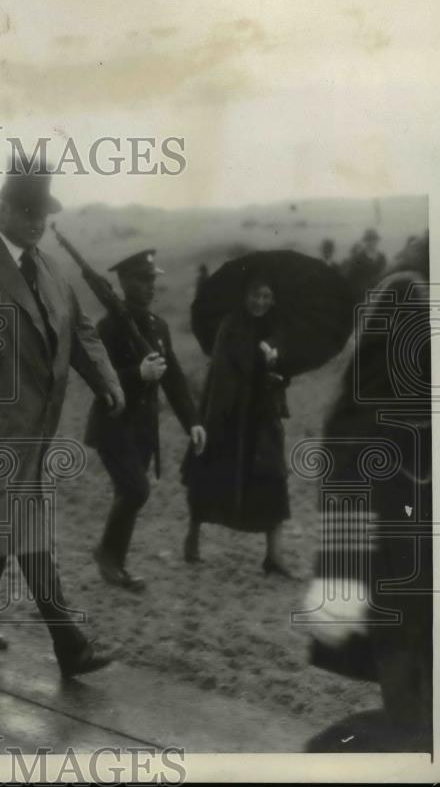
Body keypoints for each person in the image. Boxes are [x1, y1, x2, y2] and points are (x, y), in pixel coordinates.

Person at [0, 164, 125, 678]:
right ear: (0, 209)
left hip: (37, 428)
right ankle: (69, 644)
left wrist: (108, 380)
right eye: (26, 211)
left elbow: (81, 332)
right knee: (27, 531)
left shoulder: (50, 270)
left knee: (0, 529)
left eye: (42, 212)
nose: (37, 221)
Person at [302, 236, 430, 752]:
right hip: (398, 567)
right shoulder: (412, 300)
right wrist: (341, 575)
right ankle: (325, 755)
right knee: (412, 716)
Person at [85, 251, 205, 592]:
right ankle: (109, 557)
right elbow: (98, 378)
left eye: (153, 279)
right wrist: (138, 374)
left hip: (142, 429)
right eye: (142, 280)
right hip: (112, 425)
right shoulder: (108, 327)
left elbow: (174, 377)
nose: (150, 286)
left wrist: (192, 421)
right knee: (136, 490)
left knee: (131, 492)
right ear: (123, 283)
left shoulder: (157, 325)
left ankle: (112, 560)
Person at [181, 278, 295, 576]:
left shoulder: (278, 327)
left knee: (273, 476)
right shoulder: (231, 326)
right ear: (245, 296)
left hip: (264, 415)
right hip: (229, 413)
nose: (261, 302)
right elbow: (223, 373)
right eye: (255, 294)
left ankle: (274, 555)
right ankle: (192, 536)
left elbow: (287, 367)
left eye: (267, 296)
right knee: (209, 472)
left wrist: (276, 367)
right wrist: (258, 362)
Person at [341, 228, 387, 300]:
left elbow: (384, 274)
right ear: (365, 241)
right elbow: (351, 276)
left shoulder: (381, 257)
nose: (372, 242)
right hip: (363, 294)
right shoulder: (359, 258)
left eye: (374, 239)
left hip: (379, 292)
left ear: (377, 241)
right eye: (369, 240)